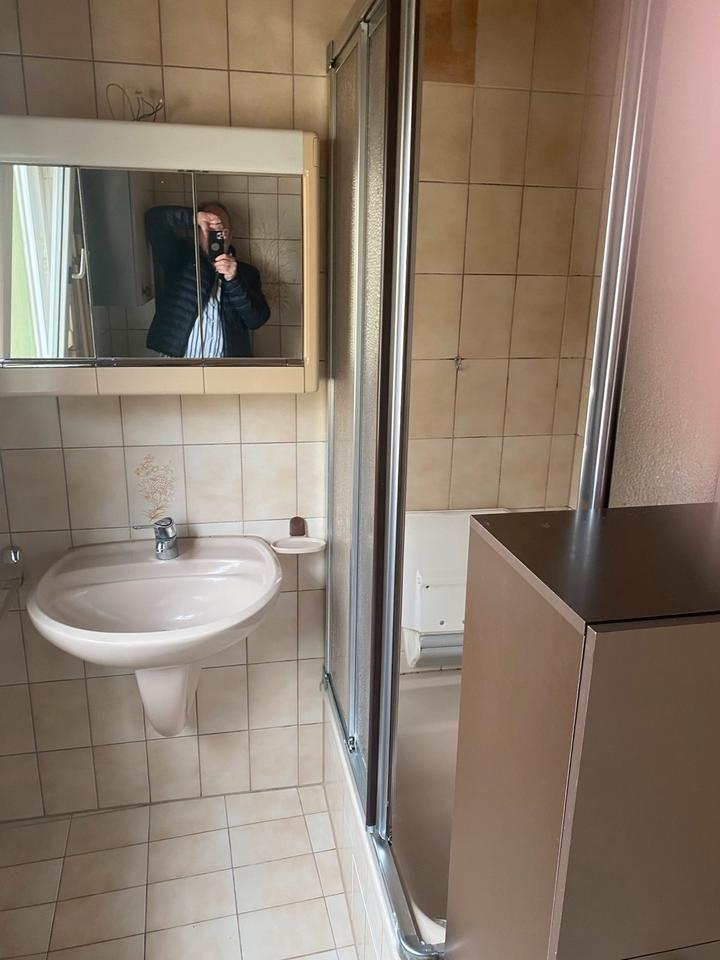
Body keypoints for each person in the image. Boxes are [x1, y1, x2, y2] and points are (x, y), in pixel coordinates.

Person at [144, 201, 270, 357]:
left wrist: (233, 280)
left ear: (230, 235)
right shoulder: (178, 257)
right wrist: (193, 217)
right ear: (197, 234)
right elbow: (153, 221)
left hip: (227, 367)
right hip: (180, 363)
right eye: (208, 228)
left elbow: (257, 320)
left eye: (221, 228)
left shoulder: (247, 273)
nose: (214, 235)